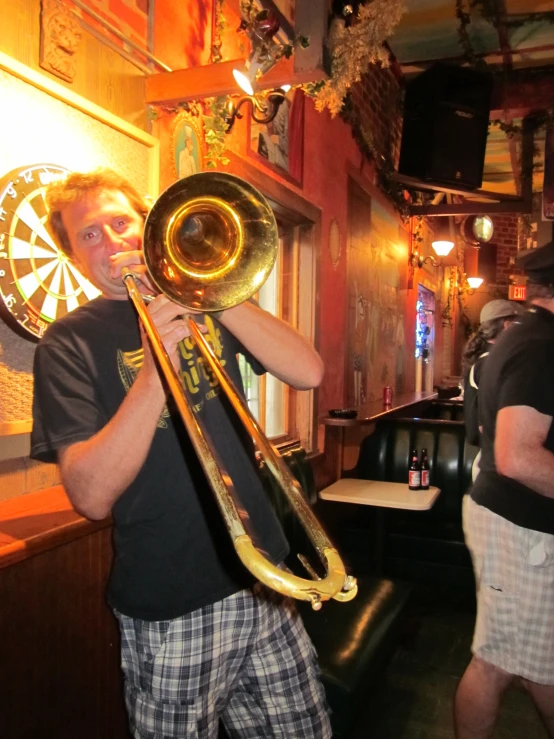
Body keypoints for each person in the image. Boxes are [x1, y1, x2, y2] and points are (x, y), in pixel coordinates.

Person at [30, 168, 331, 739]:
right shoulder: (67, 343)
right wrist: (153, 372)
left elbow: (308, 371)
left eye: (120, 223)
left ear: (147, 225)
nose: (111, 241)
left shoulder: (206, 299)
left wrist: (207, 289)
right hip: (172, 604)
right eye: (89, 235)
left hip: (266, 576)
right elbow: (91, 497)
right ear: (73, 258)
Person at [454, 241, 554, 739]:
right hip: (521, 525)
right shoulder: (541, 345)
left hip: (517, 520)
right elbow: (518, 456)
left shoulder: (526, 339)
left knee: (528, 659)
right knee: (498, 663)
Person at [461, 299, 524, 479]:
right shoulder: (495, 363)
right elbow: (485, 426)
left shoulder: (483, 361)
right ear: (508, 325)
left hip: (489, 461)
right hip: (496, 465)